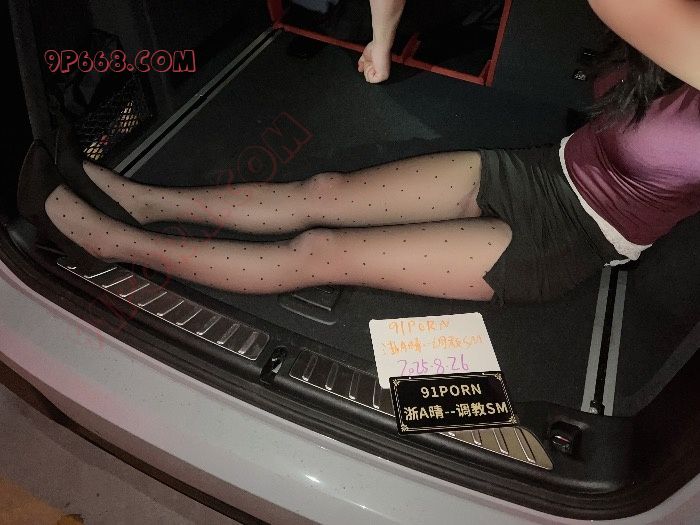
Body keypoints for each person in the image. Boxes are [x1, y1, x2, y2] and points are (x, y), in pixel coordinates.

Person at [16, 0, 700, 304]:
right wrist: (383, 37)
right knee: (324, 192)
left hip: (576, 238)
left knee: (319, 251)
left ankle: (114, 244)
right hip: (547, 170)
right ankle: (141, 200)